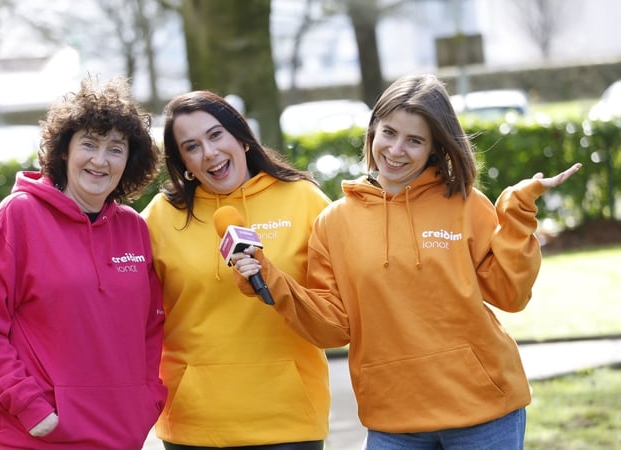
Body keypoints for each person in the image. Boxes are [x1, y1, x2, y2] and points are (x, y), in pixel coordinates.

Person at [231, 73, 582, 450]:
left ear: (435, 148)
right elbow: (332, 328)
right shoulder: (334, 223)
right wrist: (268, 277)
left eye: (414, 140)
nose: (396, 150)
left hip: (484, 410)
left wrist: (517, 213)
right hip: (393, 420)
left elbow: (510, 294)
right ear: (373, 131)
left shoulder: (465, 203)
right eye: (389, 133)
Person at [0, 75, 167, 449]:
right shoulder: (19, 216)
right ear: (65, 151)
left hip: (121, 434)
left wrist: (147, 399)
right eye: (89, 144)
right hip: (38, 435)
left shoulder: (133, 228)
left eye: (115, 148)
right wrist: (30, 408)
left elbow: (150, 328)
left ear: (129, 159)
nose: (100, 160)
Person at [139, 90, 332, 450]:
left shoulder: (305, 200)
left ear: (242, 139)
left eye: (216, 135)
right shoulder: (159, 217)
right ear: (182, 163)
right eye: (191, 146)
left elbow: (336, 305)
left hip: (288, 419)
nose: (209, 153)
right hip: (194, 422)